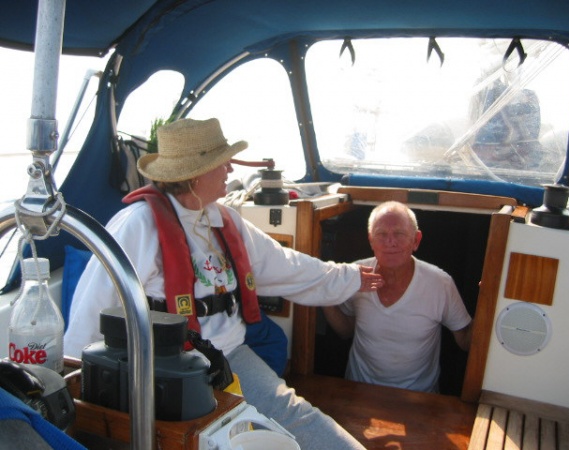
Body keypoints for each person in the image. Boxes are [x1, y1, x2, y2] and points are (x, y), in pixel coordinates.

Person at [64, 118, 383, 450]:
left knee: (298, 421)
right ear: (196, 174)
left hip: (230, 355)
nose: (230, 168)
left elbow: (284, 266)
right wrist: (71, 381)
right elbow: (93, 308)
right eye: (222, 161)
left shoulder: (223, 219)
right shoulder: (138, 226)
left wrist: (350, 277)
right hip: (164, 368)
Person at [322, 201, 472, 393]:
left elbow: (466, 341)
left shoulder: (440, 283)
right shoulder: (355, 275)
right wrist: (326, 298)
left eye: (399, 234)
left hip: (419, 399)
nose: (390, 242)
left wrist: (490, 303)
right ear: (371, 241)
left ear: (416, 240)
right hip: (359, 392)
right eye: (381, 234)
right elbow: (346, 331)